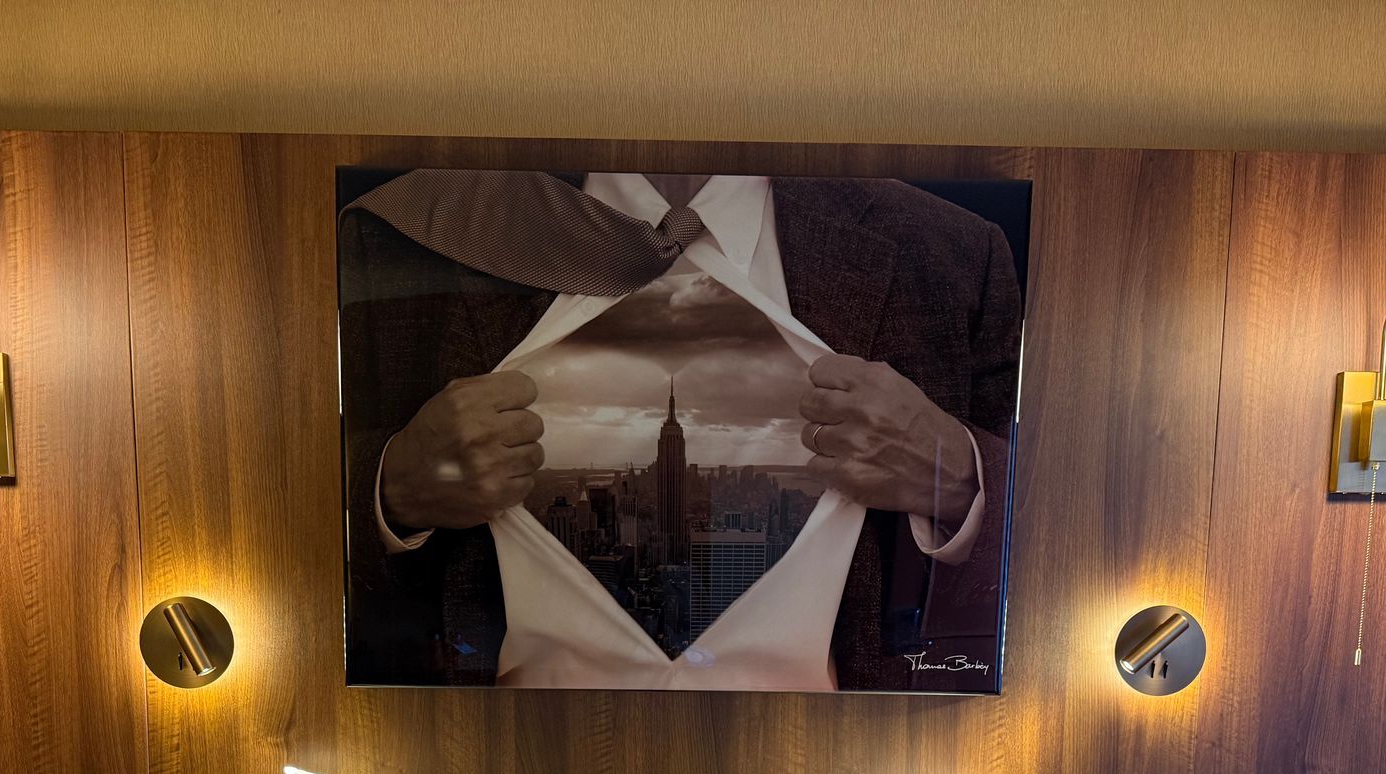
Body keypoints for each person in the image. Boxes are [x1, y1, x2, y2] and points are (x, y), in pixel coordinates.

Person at [338, 169, 1023, 690]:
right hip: (495, 772)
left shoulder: (951, 256)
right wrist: (390, 487)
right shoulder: (412, 234)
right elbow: (276, 511)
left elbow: (1061, 554)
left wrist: (957, 473)